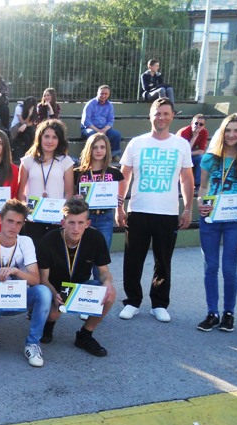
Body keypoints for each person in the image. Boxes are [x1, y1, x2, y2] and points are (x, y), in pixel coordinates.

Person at [118, 98, 194, 323]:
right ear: (150, 116)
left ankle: (159, 304)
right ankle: (132, 301)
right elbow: (124, 177)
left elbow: (186, 179)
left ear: (172, 116)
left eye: (165, 113)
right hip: (138, 211)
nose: (161, 117)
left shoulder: (181, 145)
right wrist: (119, 206)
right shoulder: (136, 143)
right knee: (133, 260)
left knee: (163, 261)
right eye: (157, 113)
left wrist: (188, 208)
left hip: (167, 213)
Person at [195, 114, 237, 334]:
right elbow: (203, 188)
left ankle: (228, 313)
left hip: (235, 222)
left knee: (229, 269)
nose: (232, 134)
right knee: (210, 267)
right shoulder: (209, 158)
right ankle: (212, 313)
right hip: (210, 219)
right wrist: (200, 202)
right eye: (228, 130)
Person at [0, 200, 52, 367]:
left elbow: (35, 280)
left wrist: (16, 271)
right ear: (0, 220)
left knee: (44, 292)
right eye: (10, 221)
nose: (14, 227)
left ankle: (33, 343)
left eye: (18, 223)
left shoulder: (26, 242)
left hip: (18, 299)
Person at [38, 199, 116, 357]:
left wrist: (107, 282)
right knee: (53, 314)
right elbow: (43, 279)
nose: (76, 228)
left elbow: (104, 271)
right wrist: (54, 294)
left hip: (80, 287)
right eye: (71, 222)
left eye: (80, 223)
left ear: (88, 223)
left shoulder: (96, 237)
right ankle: (48, 325)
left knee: (110, 294)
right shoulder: (48, 241)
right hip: (54, 289)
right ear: (63, 223)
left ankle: (85, 335)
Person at [17, 119, 74, 248]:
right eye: (46, 136)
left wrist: (64, 215)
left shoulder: (65, 161)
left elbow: (69, 192)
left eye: (54, 137)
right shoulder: (27, 161)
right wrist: (25, 213)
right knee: (34, 254)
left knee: (53, 254)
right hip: (33, 218)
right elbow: (21, 192)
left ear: (59, 140)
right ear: (40, 137)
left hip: (56, 218)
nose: (50, 141)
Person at [73, 132, 125, 272]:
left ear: (107, 149)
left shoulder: (115, 173)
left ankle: (100, 285)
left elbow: (119, 197)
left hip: (105, 218)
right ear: (89, 149)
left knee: (100, 258)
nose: (99, 151)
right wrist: (75, 199)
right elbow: (69, 197)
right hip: (83, 218)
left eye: (102, 147)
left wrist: (120, 205)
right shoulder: (78, 173)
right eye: (95, 147)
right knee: (80, 257)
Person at [81, 85, 122, 161]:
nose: (103, 96)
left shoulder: (110, 106)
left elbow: (110, 121)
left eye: (106, 94)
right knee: (92, 134)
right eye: (101, 93)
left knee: (116, 134)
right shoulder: (90, 104)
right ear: (97, 93)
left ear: (109, 94)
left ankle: (114, 155)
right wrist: (98, 131)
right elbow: (86, 122)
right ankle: (90, 155)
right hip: (90, 129)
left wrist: (104, 130)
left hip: (104, 129)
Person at [177, 114, 209, 189]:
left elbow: (201, 151)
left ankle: (198, 184)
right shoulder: (184, 132)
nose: (198, 126)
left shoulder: (204, 132)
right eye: (196, 123)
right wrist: (194, 137)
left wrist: (189, 154)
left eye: (201, 124)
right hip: (179, 156)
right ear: (192, 123)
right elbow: (184, 152)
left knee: (201, 158)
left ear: (203, 126)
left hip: (191, 155)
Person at [9, 96, 37, 162]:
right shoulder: (19, 108)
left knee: (29, 132)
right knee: (28, 133)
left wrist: (26, 125)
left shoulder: (35, 109)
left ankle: (31, 153)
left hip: (27, 129)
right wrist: (29, 114)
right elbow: (22, 122)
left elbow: (34, 122)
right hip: (16, 128)